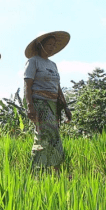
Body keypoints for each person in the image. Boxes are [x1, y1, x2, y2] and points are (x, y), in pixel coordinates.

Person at [24, 31, 72, 172]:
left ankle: (54, 171)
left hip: (53, 104)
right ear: (40, 46)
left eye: (53, 45)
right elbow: (27, 84)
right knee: (45, 135)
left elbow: (57, 88)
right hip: (39, 103)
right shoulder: (33, 61)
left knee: (54, 137)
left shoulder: (53, 65)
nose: (52, 47)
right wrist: (30, 106)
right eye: (49, 44)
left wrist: (65, 107)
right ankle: (37, 171)